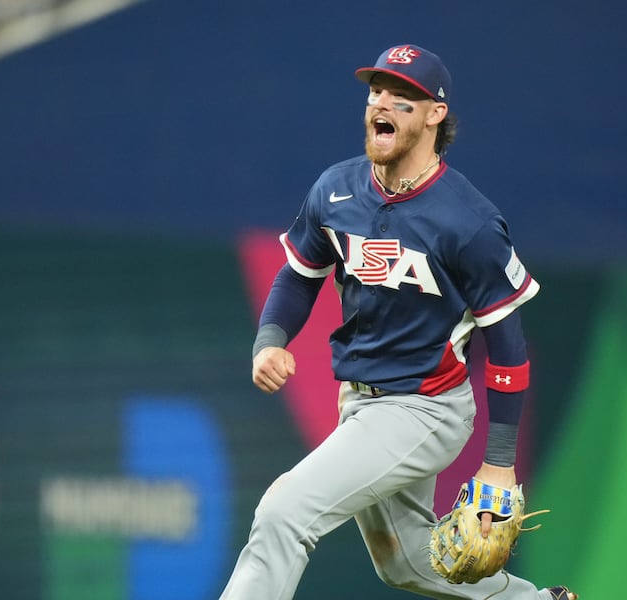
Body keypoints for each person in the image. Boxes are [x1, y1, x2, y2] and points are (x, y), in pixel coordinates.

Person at [221, 44, 575, 600]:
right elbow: (299, 276)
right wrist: (270, 339)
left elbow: (508, 347)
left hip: (424, 409)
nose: (382, 103)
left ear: (436, 113)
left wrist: (499, 465)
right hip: (359, 401)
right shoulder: (335, 189)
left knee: (284, 512)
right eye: (376, 91)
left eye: (402, 95)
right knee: (407, 561)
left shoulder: (469, 221)